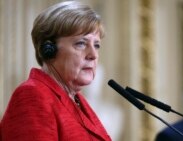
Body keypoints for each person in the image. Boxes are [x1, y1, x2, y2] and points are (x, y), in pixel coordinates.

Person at [0, 1, 111, 141]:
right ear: (48, 50)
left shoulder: (77, 99)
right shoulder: (32, 95)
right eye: (81, 43)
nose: (93, 55)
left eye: (96, 45)